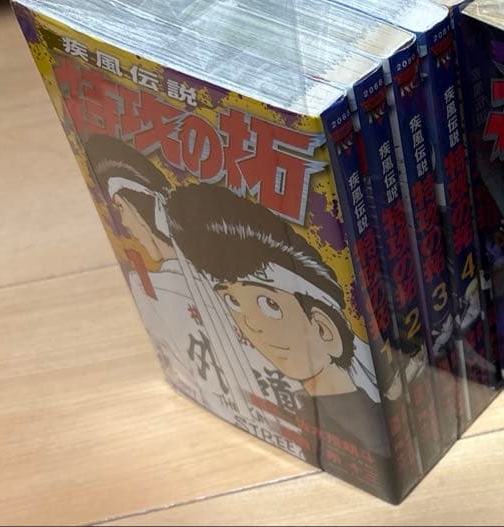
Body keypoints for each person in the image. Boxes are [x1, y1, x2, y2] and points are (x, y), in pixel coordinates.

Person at [167, 183, 390, 459]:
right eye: (233, 302)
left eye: (269, 305)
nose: (250, 324)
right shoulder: (296, 415)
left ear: (325, 329)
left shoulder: (372, 431)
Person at [82, 134, 221, 408]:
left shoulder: (221, 279)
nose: (123, 223)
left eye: (121, 208)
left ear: (146, 207)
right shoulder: (144, 283)